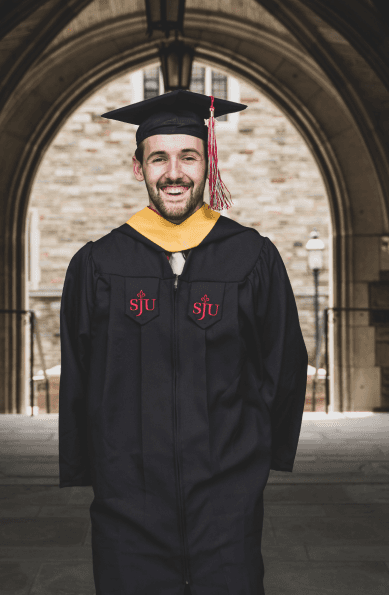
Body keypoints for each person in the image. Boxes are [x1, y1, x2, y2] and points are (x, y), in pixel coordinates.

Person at [58, 89, 309, 595]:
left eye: (188, 156)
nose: (174, 172)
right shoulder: (99, 263)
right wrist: (93, 467)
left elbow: (283, 363)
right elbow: (79, 374)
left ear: (207, 162)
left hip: (227, 494)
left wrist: (256, 456)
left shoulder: (251, 257)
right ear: (138, 168)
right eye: (159, 158)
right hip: (128, 495)